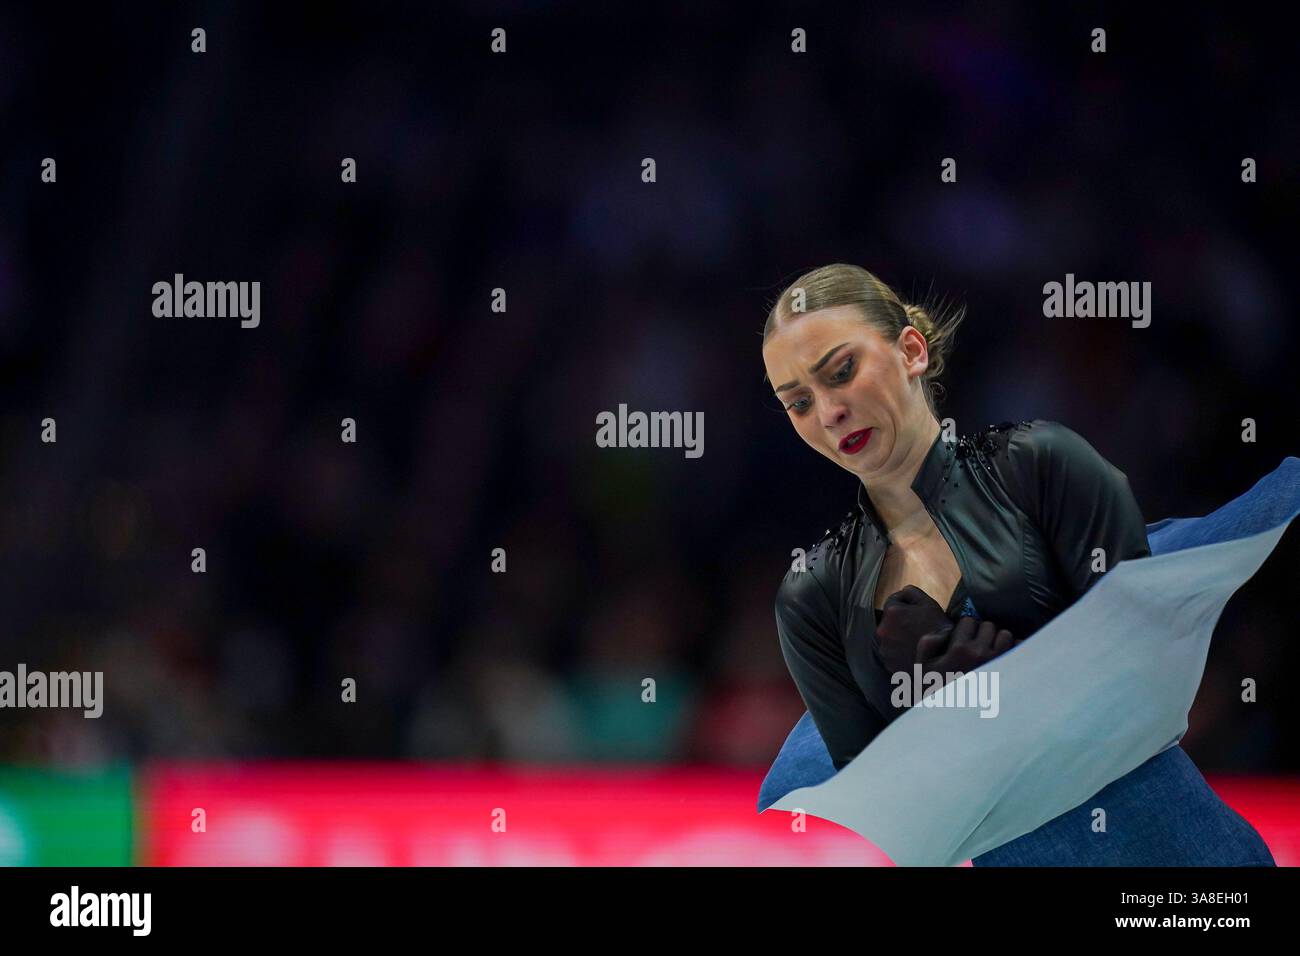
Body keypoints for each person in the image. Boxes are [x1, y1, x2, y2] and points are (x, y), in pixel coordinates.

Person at [759, 262, 1276, 865]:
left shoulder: (1039, 464)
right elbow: (908, 823)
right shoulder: (813, 594)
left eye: (842, 371)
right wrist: (950, 710)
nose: (828, 412)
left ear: (911, 350)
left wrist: (1001, 689)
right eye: (797, 402)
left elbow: (1153, 683)